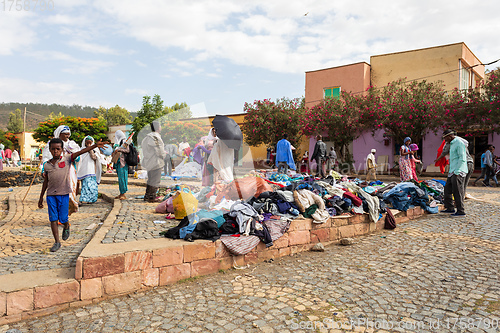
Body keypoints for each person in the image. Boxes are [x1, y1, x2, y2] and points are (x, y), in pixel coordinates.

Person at [38, 138, 107, 252]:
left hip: (64, 194)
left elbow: (81, 152)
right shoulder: (47, 165)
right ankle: (57, 242)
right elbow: (45, 182)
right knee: (53, 219)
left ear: (62, 150)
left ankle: (66, 226)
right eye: (53, 149)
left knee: (63, 218)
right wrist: (41, 198)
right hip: (51, 195)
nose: (55, 151)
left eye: (58, 149)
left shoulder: (67, 159)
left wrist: (94, 146)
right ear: (50, 150)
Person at [41, 125, 81, 214]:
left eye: (68, 134)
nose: (67, 136)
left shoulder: (73, 144)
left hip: (70, 172)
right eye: (65, 134)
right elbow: (46, 159)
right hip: (55, 172)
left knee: (69, 191)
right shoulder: (51, 145)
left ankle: (66, 213)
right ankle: (59, 215)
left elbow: (78, 156)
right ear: (59, 134)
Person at [440, 129, 468, 217]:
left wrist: (457, 171)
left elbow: (462, 158)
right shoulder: (451, 144)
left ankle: (461, 211)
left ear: (449, 136)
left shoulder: (459, 143)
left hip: (458, 171)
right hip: (452, 171)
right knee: (447, 190)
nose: (445, 140)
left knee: (457, 191)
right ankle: (450, 208)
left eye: (445, 138)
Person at [141, 121, 166, 202]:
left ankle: (147, 196)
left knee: (150, 179)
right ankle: (152, 197)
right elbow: (159, 151)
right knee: (155, 180)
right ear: (158, 127)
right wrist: (164, 155)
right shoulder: (155, 137)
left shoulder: (146, 138)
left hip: (148, 161)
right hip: (156, 162)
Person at [77, 136, 105, 204]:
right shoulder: (81, 150)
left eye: (90, 142)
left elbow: (94, 157)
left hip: (91, 170)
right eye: (87, 142)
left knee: (91, 185)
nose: (88, 144)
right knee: (85, 185)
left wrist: (90, 149)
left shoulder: (95, 150)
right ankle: (83, 199)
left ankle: (91, 199)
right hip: (84, 170)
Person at [113, 130, 130, 200]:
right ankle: (121, 193)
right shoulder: (118, 142)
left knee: (123, 178)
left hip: (123, 163)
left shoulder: (125, 142)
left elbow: (127, 150)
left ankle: (123, 194)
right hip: (118, 162)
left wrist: (119, 150)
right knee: (120, 178)